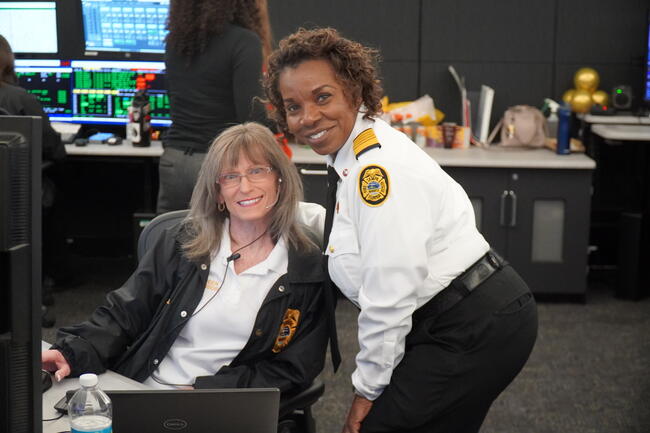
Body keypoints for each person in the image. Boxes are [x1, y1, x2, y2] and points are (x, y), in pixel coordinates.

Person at [263, 27, 538, 433]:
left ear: (354, 92)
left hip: (471, 325)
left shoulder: (377, 170)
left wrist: (367, 390)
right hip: (461, 315)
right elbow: (350, 230)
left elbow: (389, 294)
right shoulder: (352, 152)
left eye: (323, 97)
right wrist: (272, 210)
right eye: (293, 107)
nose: (308, 118)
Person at [42, 122, 329, 396]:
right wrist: (72, 352)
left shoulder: (305, 268)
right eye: (230, 176)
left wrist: (208, 393)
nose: (244, 186)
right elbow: (124, 313)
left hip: (223, 406)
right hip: (146, 390)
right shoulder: (182, 242)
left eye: (257, 171)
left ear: (279, 180)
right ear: (218, 192)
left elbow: (294, 368)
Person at [158, 0, 272, 213]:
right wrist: (286, 124)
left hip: (173, 162)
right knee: (223, 243)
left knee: (170, 242)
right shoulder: (244, 41)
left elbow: (172, 97)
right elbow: (251, 115)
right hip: (218, 164)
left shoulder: (174, 42)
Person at [0, 33, 67, 327]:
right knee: (49, 190)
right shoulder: (21, 98)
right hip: (18, 200)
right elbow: (56, 149)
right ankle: (42, 285)